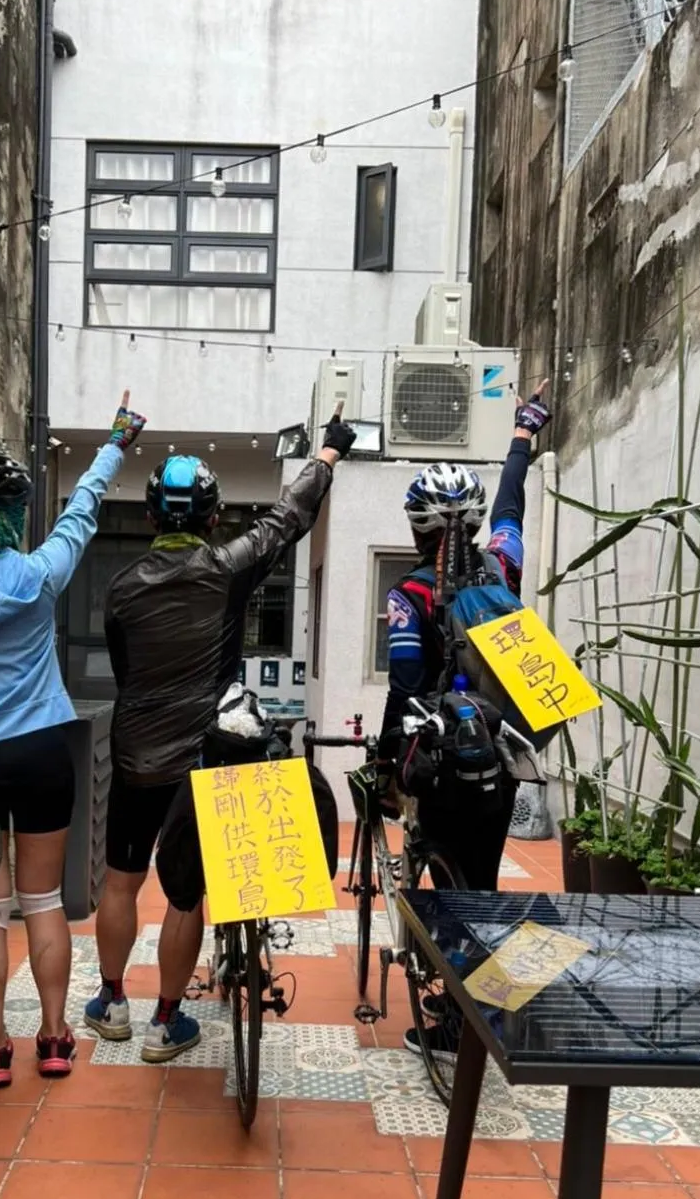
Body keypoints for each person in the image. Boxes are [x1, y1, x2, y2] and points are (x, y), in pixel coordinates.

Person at [86, 413, 358, 1062]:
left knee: (121, 882)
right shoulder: (228, 568)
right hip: (206, 757)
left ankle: (111, 1002)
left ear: (152, 518)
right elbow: (290, 516)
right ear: (212, 520)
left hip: (134, 755)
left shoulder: (121, 590)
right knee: (186, 892)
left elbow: (126, 673)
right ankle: (166, 1023)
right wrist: (326, 453)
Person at [0, 394, 146, 1088]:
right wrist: (115, 443)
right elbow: (83, 510)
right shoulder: (39, 576)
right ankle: (55, 1036)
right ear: (11, 515)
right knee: (43, 903)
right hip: (44, 754)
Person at [377, 384, 551, 1051]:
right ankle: (495, 1009)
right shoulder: (502, 567)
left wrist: (391, 762)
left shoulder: (408, 594)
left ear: (417, 527)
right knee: (484, 880)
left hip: (447, 759)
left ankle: (458, 1027)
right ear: (474, 525)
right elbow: (513, 502)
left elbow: (405, 685)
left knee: (448, 887)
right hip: (502, 756)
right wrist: (521, 433)